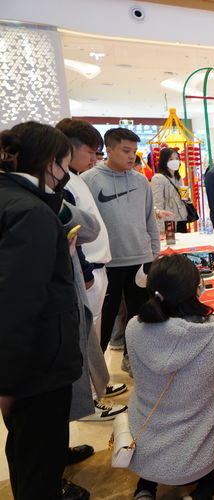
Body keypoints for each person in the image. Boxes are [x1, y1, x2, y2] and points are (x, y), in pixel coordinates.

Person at [126, 252, 214, 500]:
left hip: (141, 452)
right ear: (197, 289)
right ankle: (204, 492)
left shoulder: (133, 328)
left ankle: (145, 489)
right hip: (195, 462)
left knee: (158, 420)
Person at [0, 121, 84, 499]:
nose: (66, 173)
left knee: (26, 447)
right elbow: (18, 299)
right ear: (51, 163)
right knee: (39, 455)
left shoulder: (12, 198)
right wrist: (8, 380)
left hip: (27, 362)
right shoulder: (29, 212)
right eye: (65, 164)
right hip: (37, 363)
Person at [56, 119, 127, 428]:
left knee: (93, 336)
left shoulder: (74, 177)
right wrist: (84, 270)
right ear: (69, 148)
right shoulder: (63, 182)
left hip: (96, 268)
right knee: (86, 339)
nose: (95, 158)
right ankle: (92, 399)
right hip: (87, 271)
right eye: (91, 151)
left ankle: (99, 387)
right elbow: (73, 232)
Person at [81, 128, 160, 375]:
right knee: (103, 321)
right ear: (109, 149)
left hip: (140, 260)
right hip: (106, 263)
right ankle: (95, 377)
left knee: (140, 319)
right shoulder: (89, 180)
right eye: (126, 151)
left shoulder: (140, 181)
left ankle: (133, 361)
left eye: (134, 151)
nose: (131, 156)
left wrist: (154, 252)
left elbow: (149, 218)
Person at [151, 147, 189, 233]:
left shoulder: (178, 178)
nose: (175, 161)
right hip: (168, 221)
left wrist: (186, 196)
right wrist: (160, 229)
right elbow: (157, 204)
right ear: (164, 161)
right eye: (171, 159)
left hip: (181, 219)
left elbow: (184, 199)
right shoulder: (158, 178)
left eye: (177, 158)